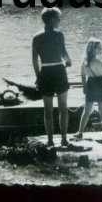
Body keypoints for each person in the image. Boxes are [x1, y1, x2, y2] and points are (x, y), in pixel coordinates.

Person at [32, 8, 73, 147]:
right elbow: (64, 53)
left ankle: (50, 140)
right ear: (51, 21)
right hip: (58, 70)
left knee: (47, 109)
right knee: (63, 107)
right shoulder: (59, 35)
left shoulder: (36, 37)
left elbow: (34, 60)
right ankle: (64, 139)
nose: (60, 21)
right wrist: (69, 61)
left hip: (45, 71)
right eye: (58, 18)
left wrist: (38, 76)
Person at [74, 38, 102, 141]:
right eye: (99, 48)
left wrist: (84, 87)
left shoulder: (84, 62)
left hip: (90, 85)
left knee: (87, 111)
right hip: (100, 86)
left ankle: (80, 132)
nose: (101, 49)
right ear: (94, 50)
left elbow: (82, 75)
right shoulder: (98, 62)